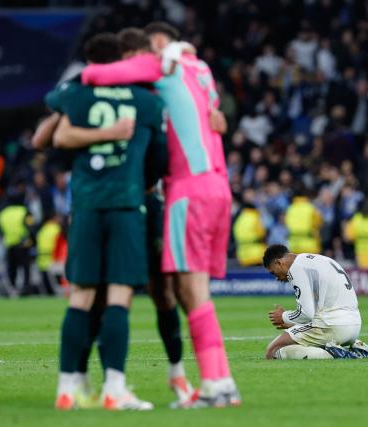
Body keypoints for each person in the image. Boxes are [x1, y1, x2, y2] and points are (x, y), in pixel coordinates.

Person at [82, 23, 240, 408]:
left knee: (193, 292)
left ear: (158, 46)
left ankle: (215, 385)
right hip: (219, 185)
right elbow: (213, 114)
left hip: (189, 190)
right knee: (192, 292)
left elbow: (96, 74)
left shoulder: (164, 67)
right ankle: (222, 382)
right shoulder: (201, 70)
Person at [46, 31, 167, 411]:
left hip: (85, 205)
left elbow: (56, 127)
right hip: (126, 205)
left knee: (80, 296)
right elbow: (159, 162)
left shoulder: (76, 93)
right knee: (119, 296)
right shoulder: (146, 102)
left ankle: (67, 389)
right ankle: (114, 388)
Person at [261, 244, 368, 360]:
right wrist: (296, 324)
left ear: (279, 262)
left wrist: (283, 316)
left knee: (272, 351)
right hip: (354, 326)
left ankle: (335, 353)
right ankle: (357, 348)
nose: (276, 278)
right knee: (299, 339)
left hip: (332, 326)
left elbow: (306, 314)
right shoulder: (319, 260)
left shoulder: (296, 268)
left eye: (273, 272)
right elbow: (315, 312)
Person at [233, 189, 267, 266]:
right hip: (256, 254)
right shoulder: (255, 217)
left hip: (242, 255)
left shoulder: (239, 219)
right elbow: (262, 234)